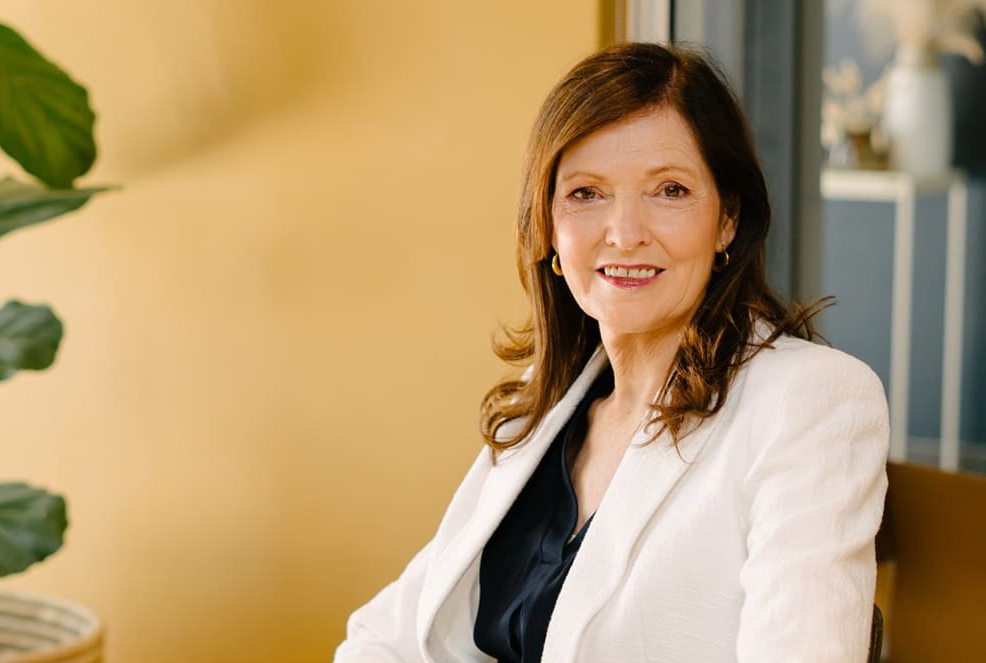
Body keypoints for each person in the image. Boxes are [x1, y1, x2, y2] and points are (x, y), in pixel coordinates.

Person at [333, 41, 889, 662]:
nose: (625, 234)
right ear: (547, 226)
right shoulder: (548, 401)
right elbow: (385, 637)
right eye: (586, 194)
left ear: (727, 218)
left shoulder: (810, 400)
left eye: (670, 190)